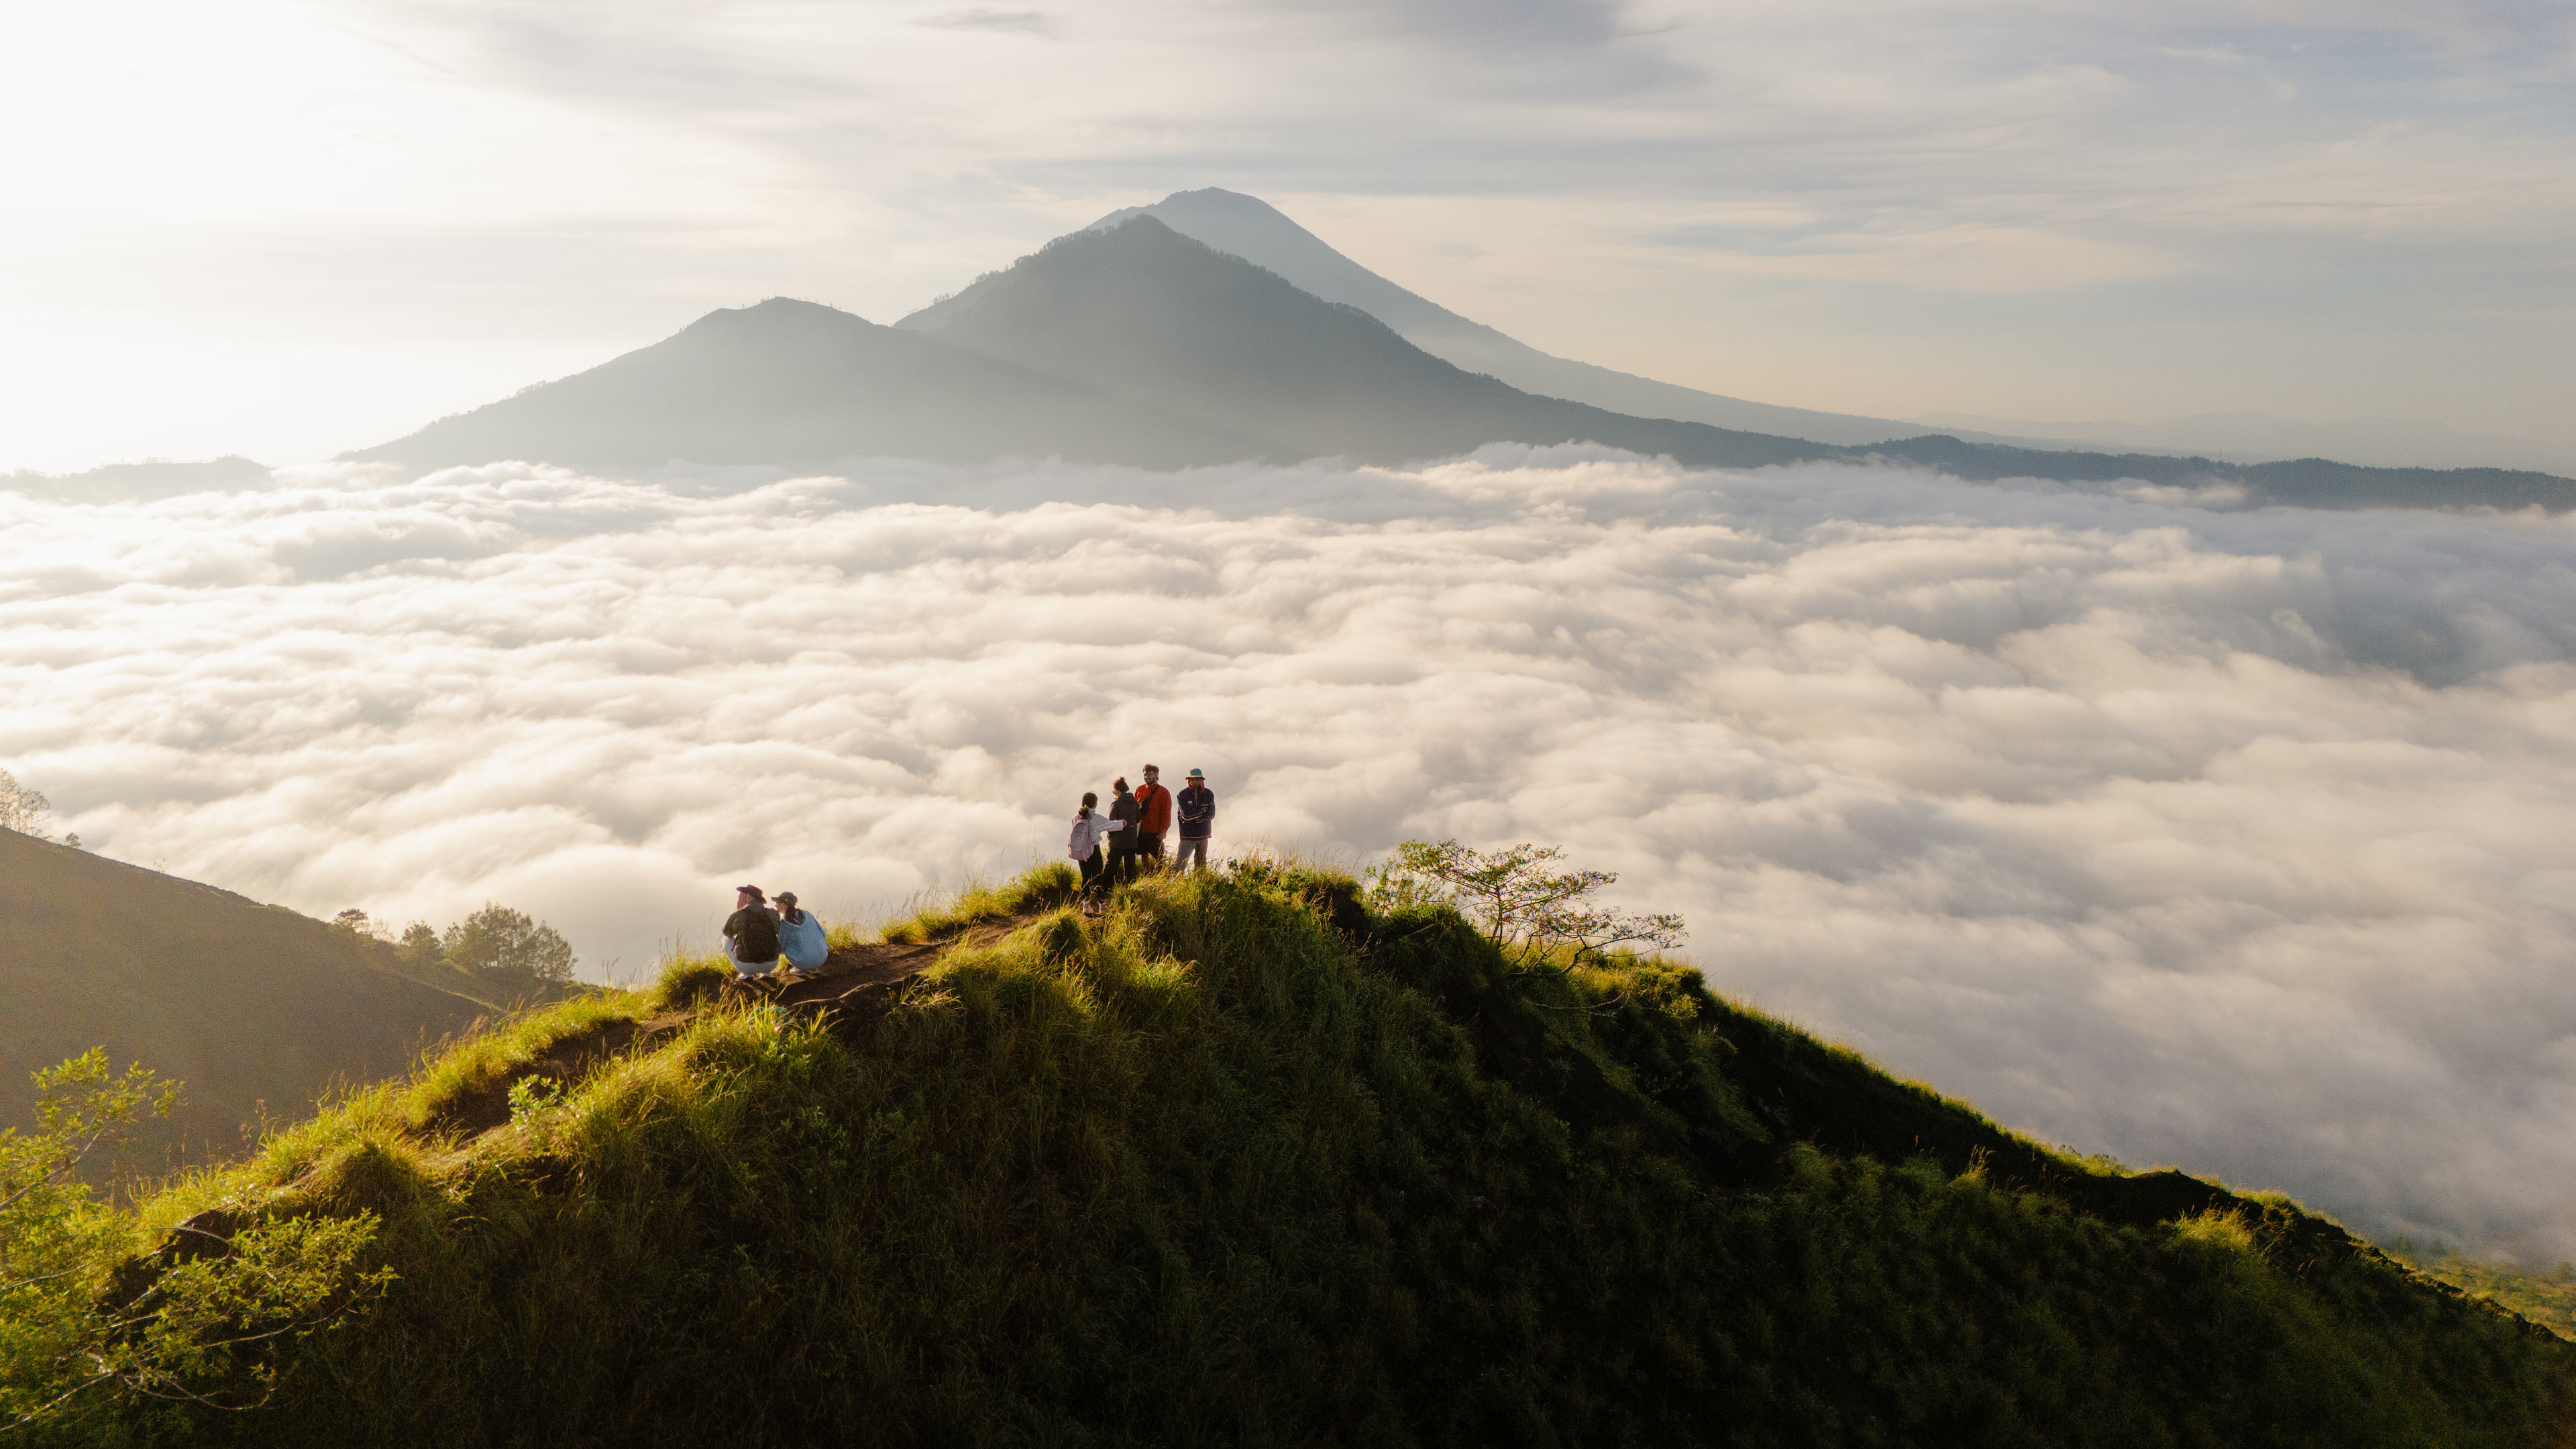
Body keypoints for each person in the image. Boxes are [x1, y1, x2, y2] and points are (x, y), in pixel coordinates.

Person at [1067, 791, 1129, 903]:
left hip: (1081, 852)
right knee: (1098, 878)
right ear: (1095, 804)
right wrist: (1122, 823)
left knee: (1085, 878)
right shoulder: (1096, 818)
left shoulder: (1075, 818)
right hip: (1094, 850)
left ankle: (1086, 905)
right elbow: (1111, 825)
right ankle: (1101, 905)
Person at [722, 885, 781, 976]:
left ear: (749, 897)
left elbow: (727, 933)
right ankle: (766, 973)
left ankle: (747, 974)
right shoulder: (773, 913)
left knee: (726, 940)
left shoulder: (739, 914)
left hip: (747, 966)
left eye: (744, 896)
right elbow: (777, 931)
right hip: (772, 964)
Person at [1174, 767, 1216, 871]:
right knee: (1180, 863)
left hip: (1203, 835)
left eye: (1197, 779)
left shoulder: (1208, 794)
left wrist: (1194, 815)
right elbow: (1186, 816)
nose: (1194, 782)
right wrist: (1202, 811)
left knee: (1201, 865)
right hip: (1188, 836)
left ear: (1202, 780)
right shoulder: (1182, 795)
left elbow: (1211, 815)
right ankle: (1172, 883)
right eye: (1192, 780)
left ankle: (1200, 885)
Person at [775, 891, 828, 973]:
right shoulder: (808, 915)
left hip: (803, 962)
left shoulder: (785, 924)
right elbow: (823, 933)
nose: (776, 905)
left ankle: (799, 969)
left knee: (786, 945)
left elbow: (781, 948)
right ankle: (814, 966)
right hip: (822, 958)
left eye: (778, 903)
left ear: (786, 905)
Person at [1133, 763, 1173, 873]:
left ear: (1156, 775)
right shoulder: (1139, 790)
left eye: (1150, 774)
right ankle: (1146, 876)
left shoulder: (1163, 792)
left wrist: (1164, 830)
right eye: (1145, 775)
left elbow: (1166, 813)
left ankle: (1160, 878)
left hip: (1156, 831)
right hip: (1141, 829)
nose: (1147, 777)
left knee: (1159, 857)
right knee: (1143, 854)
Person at [1105, 777, 1145, 885]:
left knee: (1111, 868)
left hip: (1118, 842)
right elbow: (1138, 818)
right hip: (1131, 841)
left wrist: (1110, 837)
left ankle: (1103, 891)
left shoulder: (1116, 805)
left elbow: (1111, 823)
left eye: (1114, 792)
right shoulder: (1134, 803)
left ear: (1117, 791)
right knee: (1130, 870)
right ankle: (1128, 892)